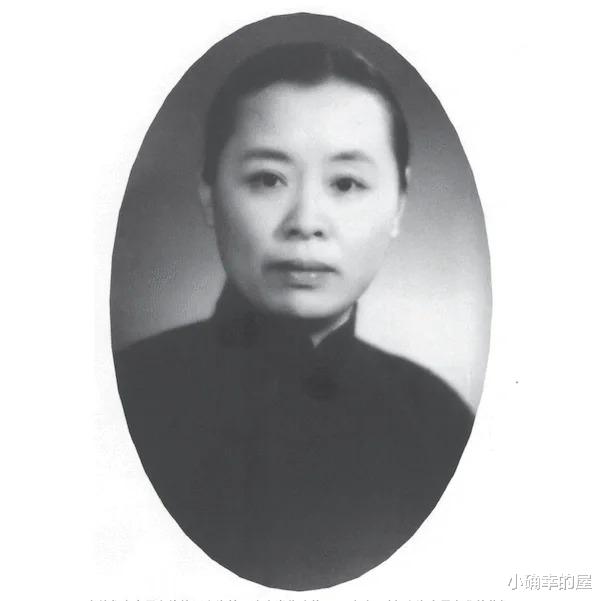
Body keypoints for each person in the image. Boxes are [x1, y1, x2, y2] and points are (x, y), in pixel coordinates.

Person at [115, 42, 474, 590]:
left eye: (346, 183)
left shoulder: (439, 425)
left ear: (399, 204)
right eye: (267, 179)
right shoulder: (127, 397)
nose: (306, 221)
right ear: (209, 195)